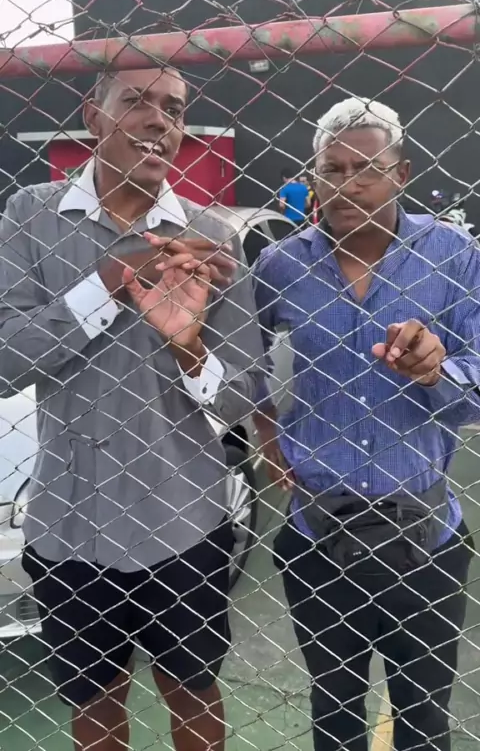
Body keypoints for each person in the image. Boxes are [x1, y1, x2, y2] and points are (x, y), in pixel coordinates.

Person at [0, 65, 265, 751]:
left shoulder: (211, 238)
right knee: (92, 702)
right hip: (70, 518)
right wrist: (110, 284)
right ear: (93, 116)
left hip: (182, 518)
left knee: (194, 692)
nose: (157, 121)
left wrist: (189, 348)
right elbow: (7, 361)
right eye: (137, 102)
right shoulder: (31, 216)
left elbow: (243, 390)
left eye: (173, 109)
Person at [252, 96, 480, 751]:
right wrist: (266, 434)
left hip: (426, 538)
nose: (347, 185)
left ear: (401, 173)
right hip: (317, 537)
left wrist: (439, 372)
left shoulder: (453, 255)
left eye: (366, 169)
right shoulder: (280, 266)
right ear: (313, 176)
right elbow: (243, 365)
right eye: (332, 169)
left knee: (424, 724)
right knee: (335, 717)